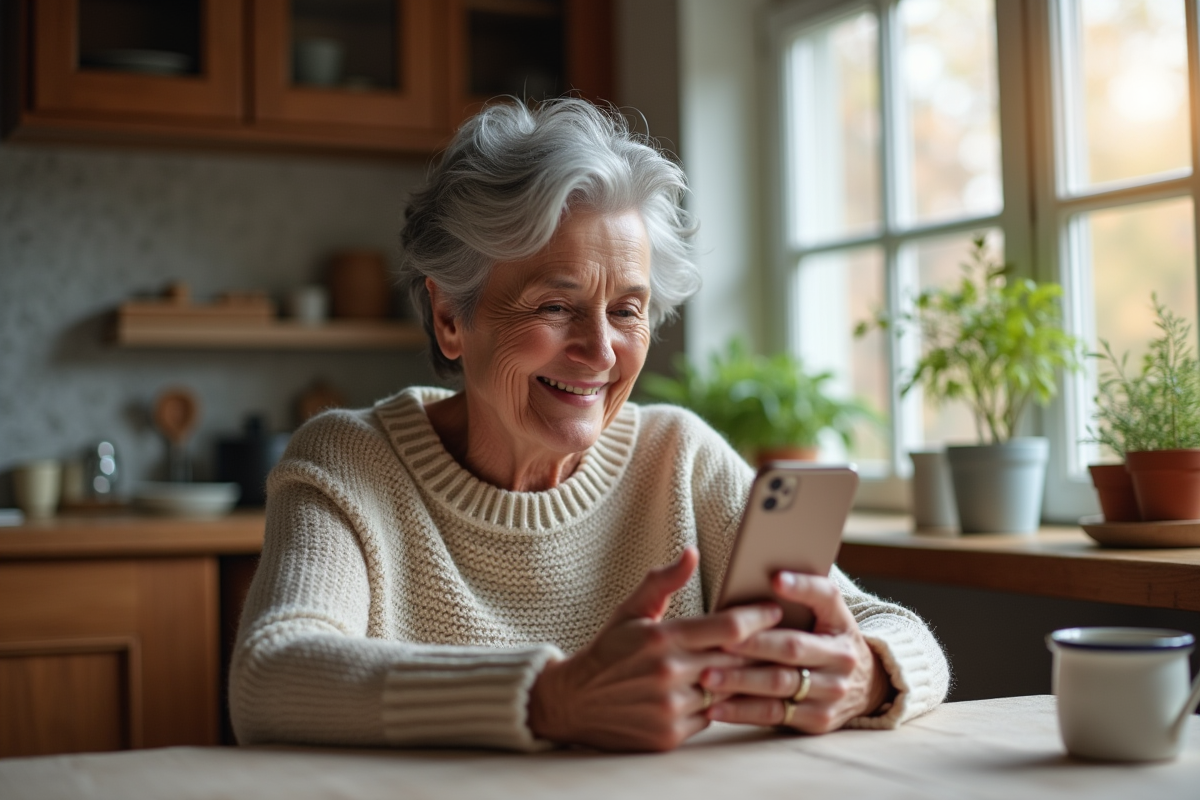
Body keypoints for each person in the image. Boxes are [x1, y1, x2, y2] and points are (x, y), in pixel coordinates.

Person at [230, 98, 949, 753]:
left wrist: (866, 675)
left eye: (627, 310)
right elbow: (271, 674)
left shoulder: (679, 456)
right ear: (452, 317)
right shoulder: (350, 459)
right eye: (555, 306)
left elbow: (892, 629)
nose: (601, 351)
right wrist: (555, 698)